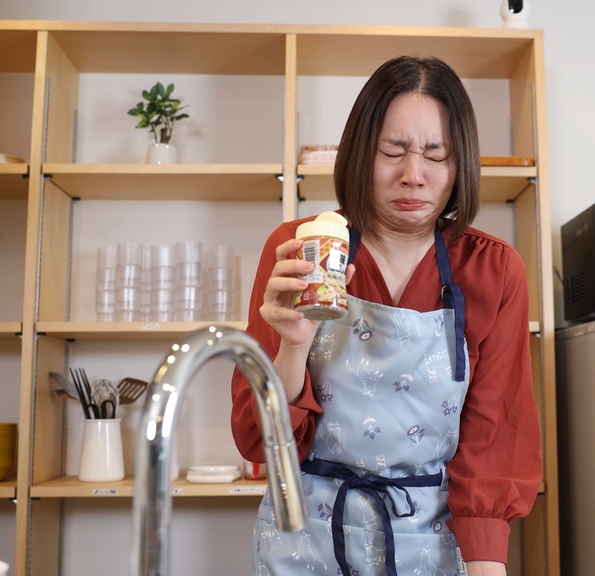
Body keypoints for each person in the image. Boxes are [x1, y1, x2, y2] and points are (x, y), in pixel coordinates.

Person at [231, 55, 542, 576]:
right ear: (358, 154)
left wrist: (488, 566)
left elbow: (494, 441)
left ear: (460, 163)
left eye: (436, 155)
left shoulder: (492, 269)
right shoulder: (302, 251)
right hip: (305, 541)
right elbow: (258, 440)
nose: (413, 176)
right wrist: (291, 346)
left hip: (432, 544)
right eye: (392, 151)